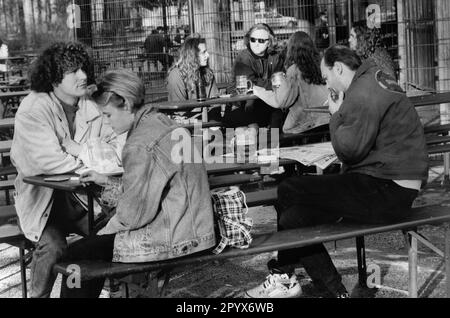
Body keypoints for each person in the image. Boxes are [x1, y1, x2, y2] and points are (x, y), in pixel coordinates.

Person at [245, 45, 428, 298]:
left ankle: (285, 276)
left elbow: (350, 151)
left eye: (327, 76)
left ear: (339, 68)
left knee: (289, 188)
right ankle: (332, 292)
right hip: (394, 184)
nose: (326, 82)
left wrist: (336, 114)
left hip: (387, 189)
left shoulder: (363, 92)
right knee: (295, 218)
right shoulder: (373, 79)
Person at [59, 69, 216, 298]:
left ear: (127, 104)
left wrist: (102, 235)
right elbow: (153, 186)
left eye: (108, 115)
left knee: (77, 254)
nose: (105, 122)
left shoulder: (139, 144)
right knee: (93, 245)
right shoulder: (162, 122)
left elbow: (131, 216)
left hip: (176, 238)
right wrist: (107, 181)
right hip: (195, 227)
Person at [10, 42, 124, 298]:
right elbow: (48, 162)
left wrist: (76, 149)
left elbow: (117, 151)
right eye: (73, 71)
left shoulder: (92, 105)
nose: (83, 76)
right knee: (53, 246)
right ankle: (38, 296)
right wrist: (92, 157)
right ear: (53, 76)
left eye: (84, 69)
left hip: (85, 198)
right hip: (42, 201)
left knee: (108, 236)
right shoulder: (34, 108)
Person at [253, 31, 329, 135]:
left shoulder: (294, 70)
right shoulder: (321, 65)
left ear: (291, 49)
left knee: (277, 119)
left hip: (307, 123)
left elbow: (282, 101)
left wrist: (258, 91)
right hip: (327, 118)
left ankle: (272, 147)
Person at [228, 23, 285, 128]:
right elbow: (250, 83)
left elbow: (282, 80)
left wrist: (274, 84)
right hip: (243, 105)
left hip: (267, 103)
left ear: (269, 43)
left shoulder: (275, 57)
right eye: (253, 39)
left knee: (279, 115)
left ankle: (273, 143)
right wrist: (272, 84)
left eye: (261, 40)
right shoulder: (243, 58)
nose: (256, 43)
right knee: (257, 123)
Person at [166, 36, 219, 102]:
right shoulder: (176, 75)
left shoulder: (208, 73)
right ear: (192, 55)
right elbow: (178, 108)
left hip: (209, 111)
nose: (208, 55)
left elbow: (215, 102)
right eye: (203, 52)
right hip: (187, 111)